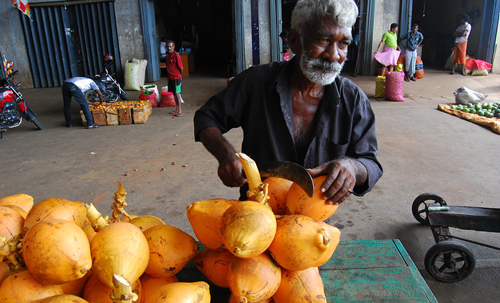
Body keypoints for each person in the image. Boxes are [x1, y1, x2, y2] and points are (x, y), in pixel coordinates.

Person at [194, 0, 383, 206]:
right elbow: (207, 117)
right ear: (294, 40)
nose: (334, 55)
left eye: (343, 44)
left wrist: (352, 167)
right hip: (256, 213)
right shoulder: (256, 82)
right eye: (323, 40)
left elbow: (370, 164)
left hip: (313, 224)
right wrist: (225, 153)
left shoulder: (353, 99)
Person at [165, 40, 184, 117]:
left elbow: (181, 68)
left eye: (170, 46)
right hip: (170, 78)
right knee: (173, 93)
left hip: (176, 78)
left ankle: (180, 110)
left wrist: (179, 75)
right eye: (168, 46)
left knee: (177, 93)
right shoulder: (167, 56)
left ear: (173, 47)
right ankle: (176, 108)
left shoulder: (176, 56)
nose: (169, 48)